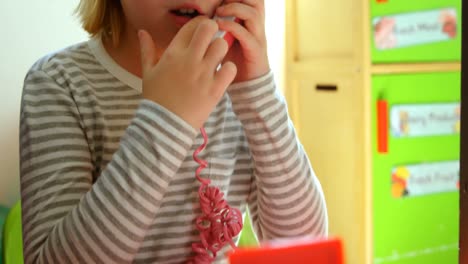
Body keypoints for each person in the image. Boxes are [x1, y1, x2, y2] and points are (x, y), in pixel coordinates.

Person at [19, 0, 328, 263]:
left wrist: (257, 92)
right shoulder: (59, 82)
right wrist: (167, 119)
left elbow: (305, 243)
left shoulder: (236, 86)